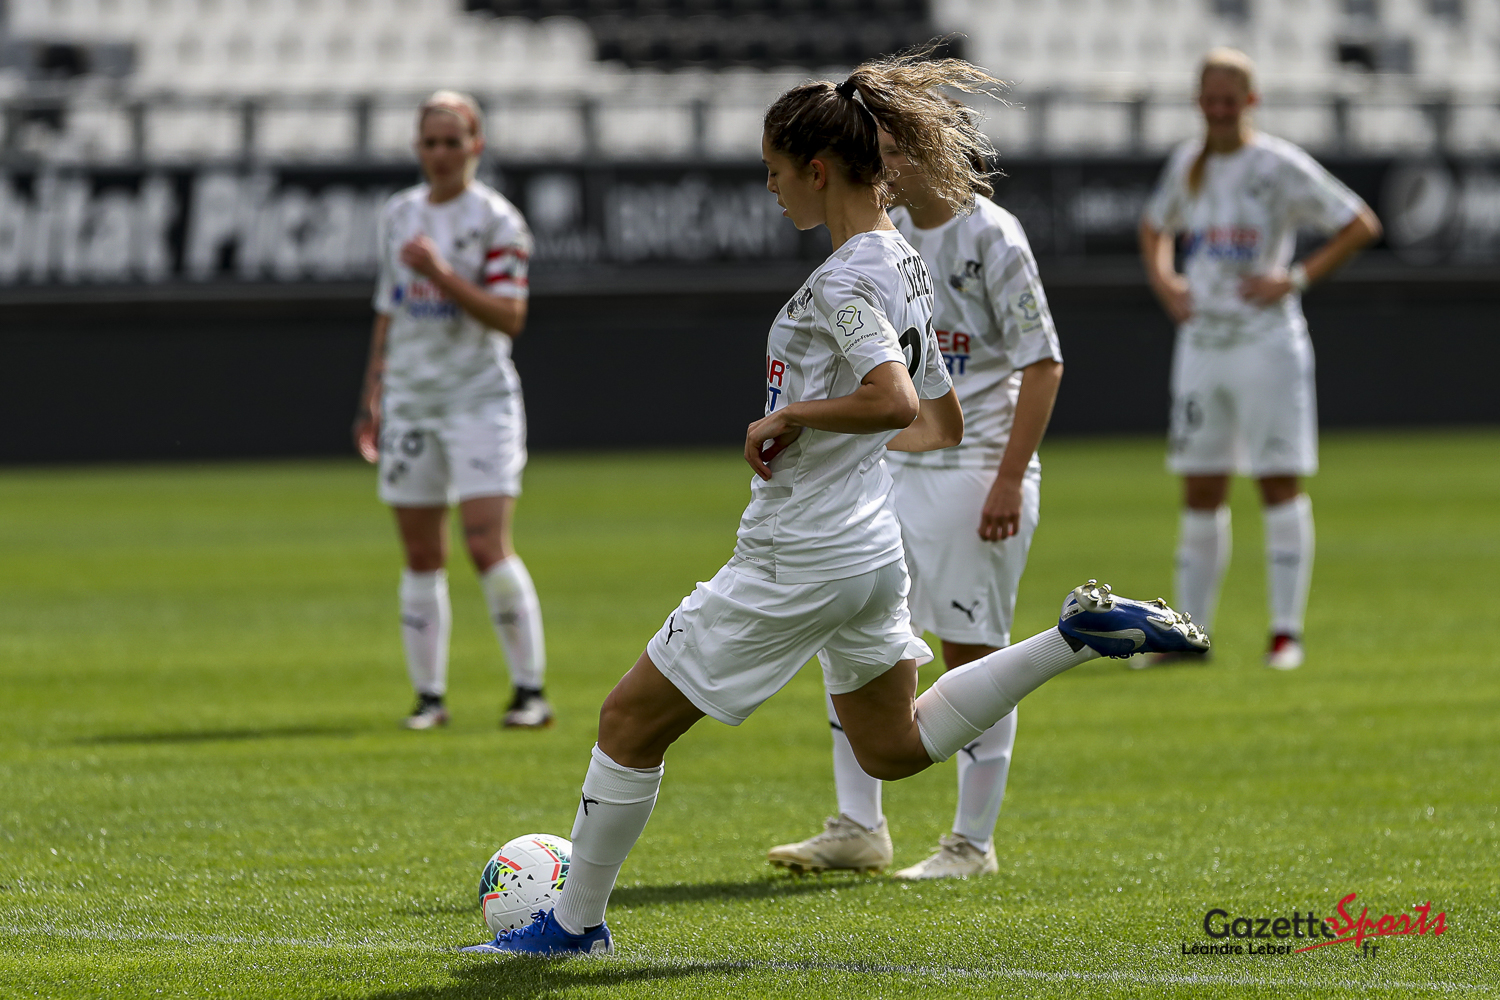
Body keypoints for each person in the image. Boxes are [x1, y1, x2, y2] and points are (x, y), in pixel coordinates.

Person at [461, 54, 1208, 957]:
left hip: (800, 553)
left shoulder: (851, 277)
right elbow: (942, 422)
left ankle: (573, 927)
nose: (771, 189)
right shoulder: (905, 258)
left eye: (775, 170)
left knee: (626, 721)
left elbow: (896, 401)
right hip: (868, 549)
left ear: (817, 169)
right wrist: (838, 443)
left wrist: (794, 418)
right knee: (892, 746)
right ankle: (1074, 637)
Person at [765, 116, 1064, 880]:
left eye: (895, 152)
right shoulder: (883, 239)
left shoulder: (993, 236)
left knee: (972, 648)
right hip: (894, 466)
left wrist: (1008, 478)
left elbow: (1042, 362)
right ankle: (858, 826)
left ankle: (971, 843)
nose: (884, 167)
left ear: (935, 155)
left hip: (974, 470)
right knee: (852, 634)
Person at [1137, 49, 1380, 671]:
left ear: (1251, 101)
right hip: (1202, 343)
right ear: (1199, 102)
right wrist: (1166, 283)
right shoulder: (1186, 163)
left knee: (1277, 480)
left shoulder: (1277, 163)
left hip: (1266, 341)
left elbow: (1360, 223)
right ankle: (1187, 638)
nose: (1219, 112)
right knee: (1200, 485)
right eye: (1210, 101)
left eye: (1230, 101)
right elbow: (1153, 226)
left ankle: (1284, 634)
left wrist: (1294, 277)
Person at [354, 91, 553, 730]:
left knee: (485, 542)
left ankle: (529, 692)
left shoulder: (498, 221)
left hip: (478, 399)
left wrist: (441, 273)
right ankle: (429, 699)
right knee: (420, 553)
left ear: (476, 146)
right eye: (430, 142)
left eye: (452, 141)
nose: (440, 154)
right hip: (412, 400)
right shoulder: (399, 214)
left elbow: (510, 316)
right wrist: (373, 395)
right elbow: (388, 308)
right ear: (418, 148)